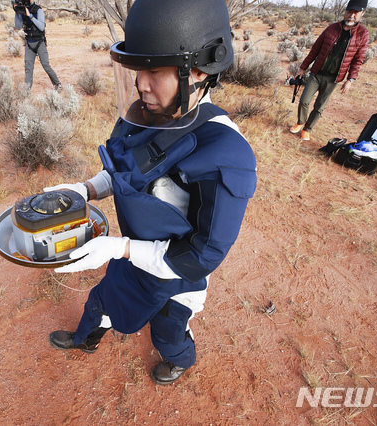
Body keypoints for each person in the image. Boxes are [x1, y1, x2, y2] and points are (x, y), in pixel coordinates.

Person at [44, 0, 257, 385]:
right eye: (137, 69)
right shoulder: (146, 113)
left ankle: (180, 359)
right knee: (102, 300)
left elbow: (199, 256)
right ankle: (86, 339)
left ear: (197, 70)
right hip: (132, 253)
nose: (141, 83)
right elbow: (124, 172)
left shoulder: (226, 153)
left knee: (167, 331)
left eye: (154, 70)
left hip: (175, 277)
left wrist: (120, 248)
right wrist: (86, 189)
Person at [290, 0, 369, 142]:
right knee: (304, 100)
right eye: (349, 12)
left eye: (356, 13)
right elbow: (315, 49)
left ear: (362, 14)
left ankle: (307, 129)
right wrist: (303, 68)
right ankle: (301, 121)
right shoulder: (332, 28)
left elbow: (358, 59)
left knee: (319, 106)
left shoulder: (362, 34)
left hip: (334, 78)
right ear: (345, 12)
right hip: (317, 73)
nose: (351, 15)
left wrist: (350, 80)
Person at [12, 0, 61, 91]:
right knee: (28, 67)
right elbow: (18, 26)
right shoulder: (23, 10)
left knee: (46, 65)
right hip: (29, 43)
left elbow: (41, 27)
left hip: (39, 42)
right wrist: (17, 12)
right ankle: (26, 90)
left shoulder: (38, 10)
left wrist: (29, 15)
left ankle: (57, 84)